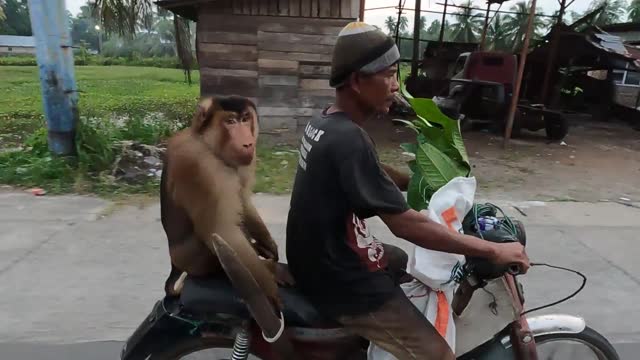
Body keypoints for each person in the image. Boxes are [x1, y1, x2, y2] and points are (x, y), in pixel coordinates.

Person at [285, 22, 530, 359]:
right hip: (339, 280)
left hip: (320, 258)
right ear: (357, 81)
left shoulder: (326, 123)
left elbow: (369, 172)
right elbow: (407, 226)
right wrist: (489, 250)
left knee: (400, 261)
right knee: (438, 355)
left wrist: (424, 181)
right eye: (388, 75)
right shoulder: (348, 140)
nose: (395, 85)